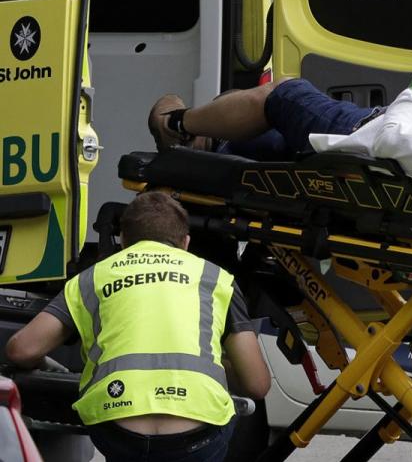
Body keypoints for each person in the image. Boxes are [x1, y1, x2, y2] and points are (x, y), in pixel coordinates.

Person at [5, 192, 270, 462]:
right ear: (186, 242)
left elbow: (22, 349)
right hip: (196, 435)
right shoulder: (215, 278)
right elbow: (257, 384)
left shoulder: (93, 277)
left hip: (119, 428)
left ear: (123, 240)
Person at [148, 47, 412, 187]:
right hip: (377, 122)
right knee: (276, 144)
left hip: (363, 135)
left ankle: (177, 125)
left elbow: (390, 142)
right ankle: (209, 146)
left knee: (283, 93)